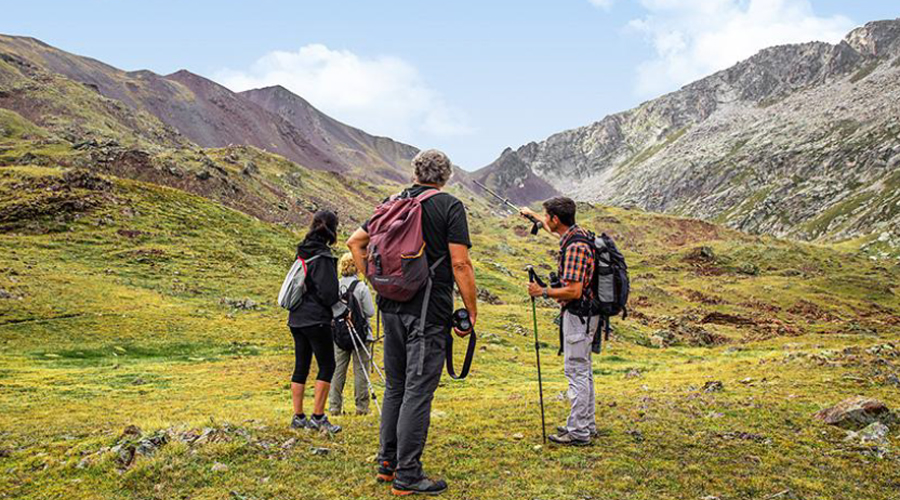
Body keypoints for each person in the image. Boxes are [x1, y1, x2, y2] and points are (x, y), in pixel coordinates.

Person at [347, 149, 477, 496]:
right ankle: (408, 476)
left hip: (390, 307)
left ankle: (387, 464)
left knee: (397, 386)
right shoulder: (448, 206)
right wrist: (471, 310)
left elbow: (355, 242)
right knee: (419, 391)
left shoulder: (391, 202)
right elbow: (460, 264)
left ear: (415, 173)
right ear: (444, 176)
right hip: (427, 312)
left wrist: (373, 280)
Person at [520, 198, 599, 446]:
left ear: (556, 219)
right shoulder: (578, 234)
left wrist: (541, 292)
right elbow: (557, 234)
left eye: (546, 216)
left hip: (579, 314)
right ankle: (585, 424)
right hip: (588, 314)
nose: (545, 220)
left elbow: (573, 291)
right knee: (583, 370)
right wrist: (534, 216)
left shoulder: (574, 248)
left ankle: (578, 433)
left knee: (576, 370)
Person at [288, 210, 342, 434]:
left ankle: (298, 416)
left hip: (297, 317)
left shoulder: (302, 251)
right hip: (317, 318)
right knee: (327, 365)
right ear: (332, 229)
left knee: (301, 365)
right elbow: (328, 292)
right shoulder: (323, 256)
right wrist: (340, 309)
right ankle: (318, 416)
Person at [329, 253, 377, 416]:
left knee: (337, 370)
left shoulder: (334, 287)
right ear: (356, 267)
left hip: (339, 335)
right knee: (361, 369)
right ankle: (362, 407)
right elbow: (370, 312)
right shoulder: (361, 287)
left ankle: (334, 407)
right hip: (361, 334)